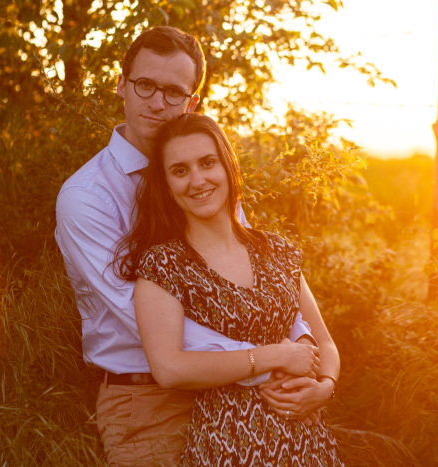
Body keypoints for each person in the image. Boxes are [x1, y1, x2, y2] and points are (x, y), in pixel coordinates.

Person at [55, 26, 331, 466]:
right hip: (149, 399)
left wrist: (310, 363)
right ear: (122, 84)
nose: (157, 102)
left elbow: (255, 280)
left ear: (192, 102)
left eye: (174, 91)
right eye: (145, 85)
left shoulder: (206, 181)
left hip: (239, 392)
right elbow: (137, 317)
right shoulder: (86, 197)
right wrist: (265, 360)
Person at [116, 112, 342, 466]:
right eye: (180, 170)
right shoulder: (163, 265)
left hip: (306, 440)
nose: (198, 180)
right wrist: (277, 356)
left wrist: (323, 388)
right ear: (166, 184)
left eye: (207, 163)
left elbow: (325, 342)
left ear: (227, 166)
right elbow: (169, 368)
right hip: (229, 441)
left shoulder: (276, 249)